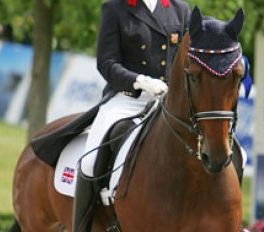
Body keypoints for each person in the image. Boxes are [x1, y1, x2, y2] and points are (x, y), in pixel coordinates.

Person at [72, 0, 191, 231]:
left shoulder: (180, 10)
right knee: (88, 162)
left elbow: (189, 58)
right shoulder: (115, 8)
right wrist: (139, 81)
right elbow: (106, 62)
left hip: (170, 101)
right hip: (127, 98)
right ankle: (83, 225)